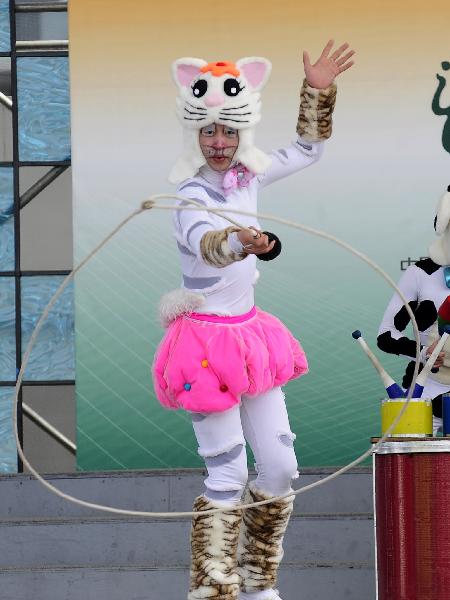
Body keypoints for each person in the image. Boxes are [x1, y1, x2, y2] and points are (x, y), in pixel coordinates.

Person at [153, 41, 355, 600]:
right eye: (209, 132)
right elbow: (206, 244)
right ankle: (216, 589)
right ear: (194, 134)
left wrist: (317, 90)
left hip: (250, 340)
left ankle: (260, 580)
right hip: (202, 349)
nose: (220, 143)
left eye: (230, 132)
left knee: (282, 468)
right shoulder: (188, 195)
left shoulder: (249, 177)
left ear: (243, 131)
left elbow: (307, 151)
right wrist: (238, 241)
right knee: (226, 476)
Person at [377, 185, 450, 435]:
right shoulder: (419, 273)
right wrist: (422, 352)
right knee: (415, 471)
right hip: (423, 392)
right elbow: (386, 336)